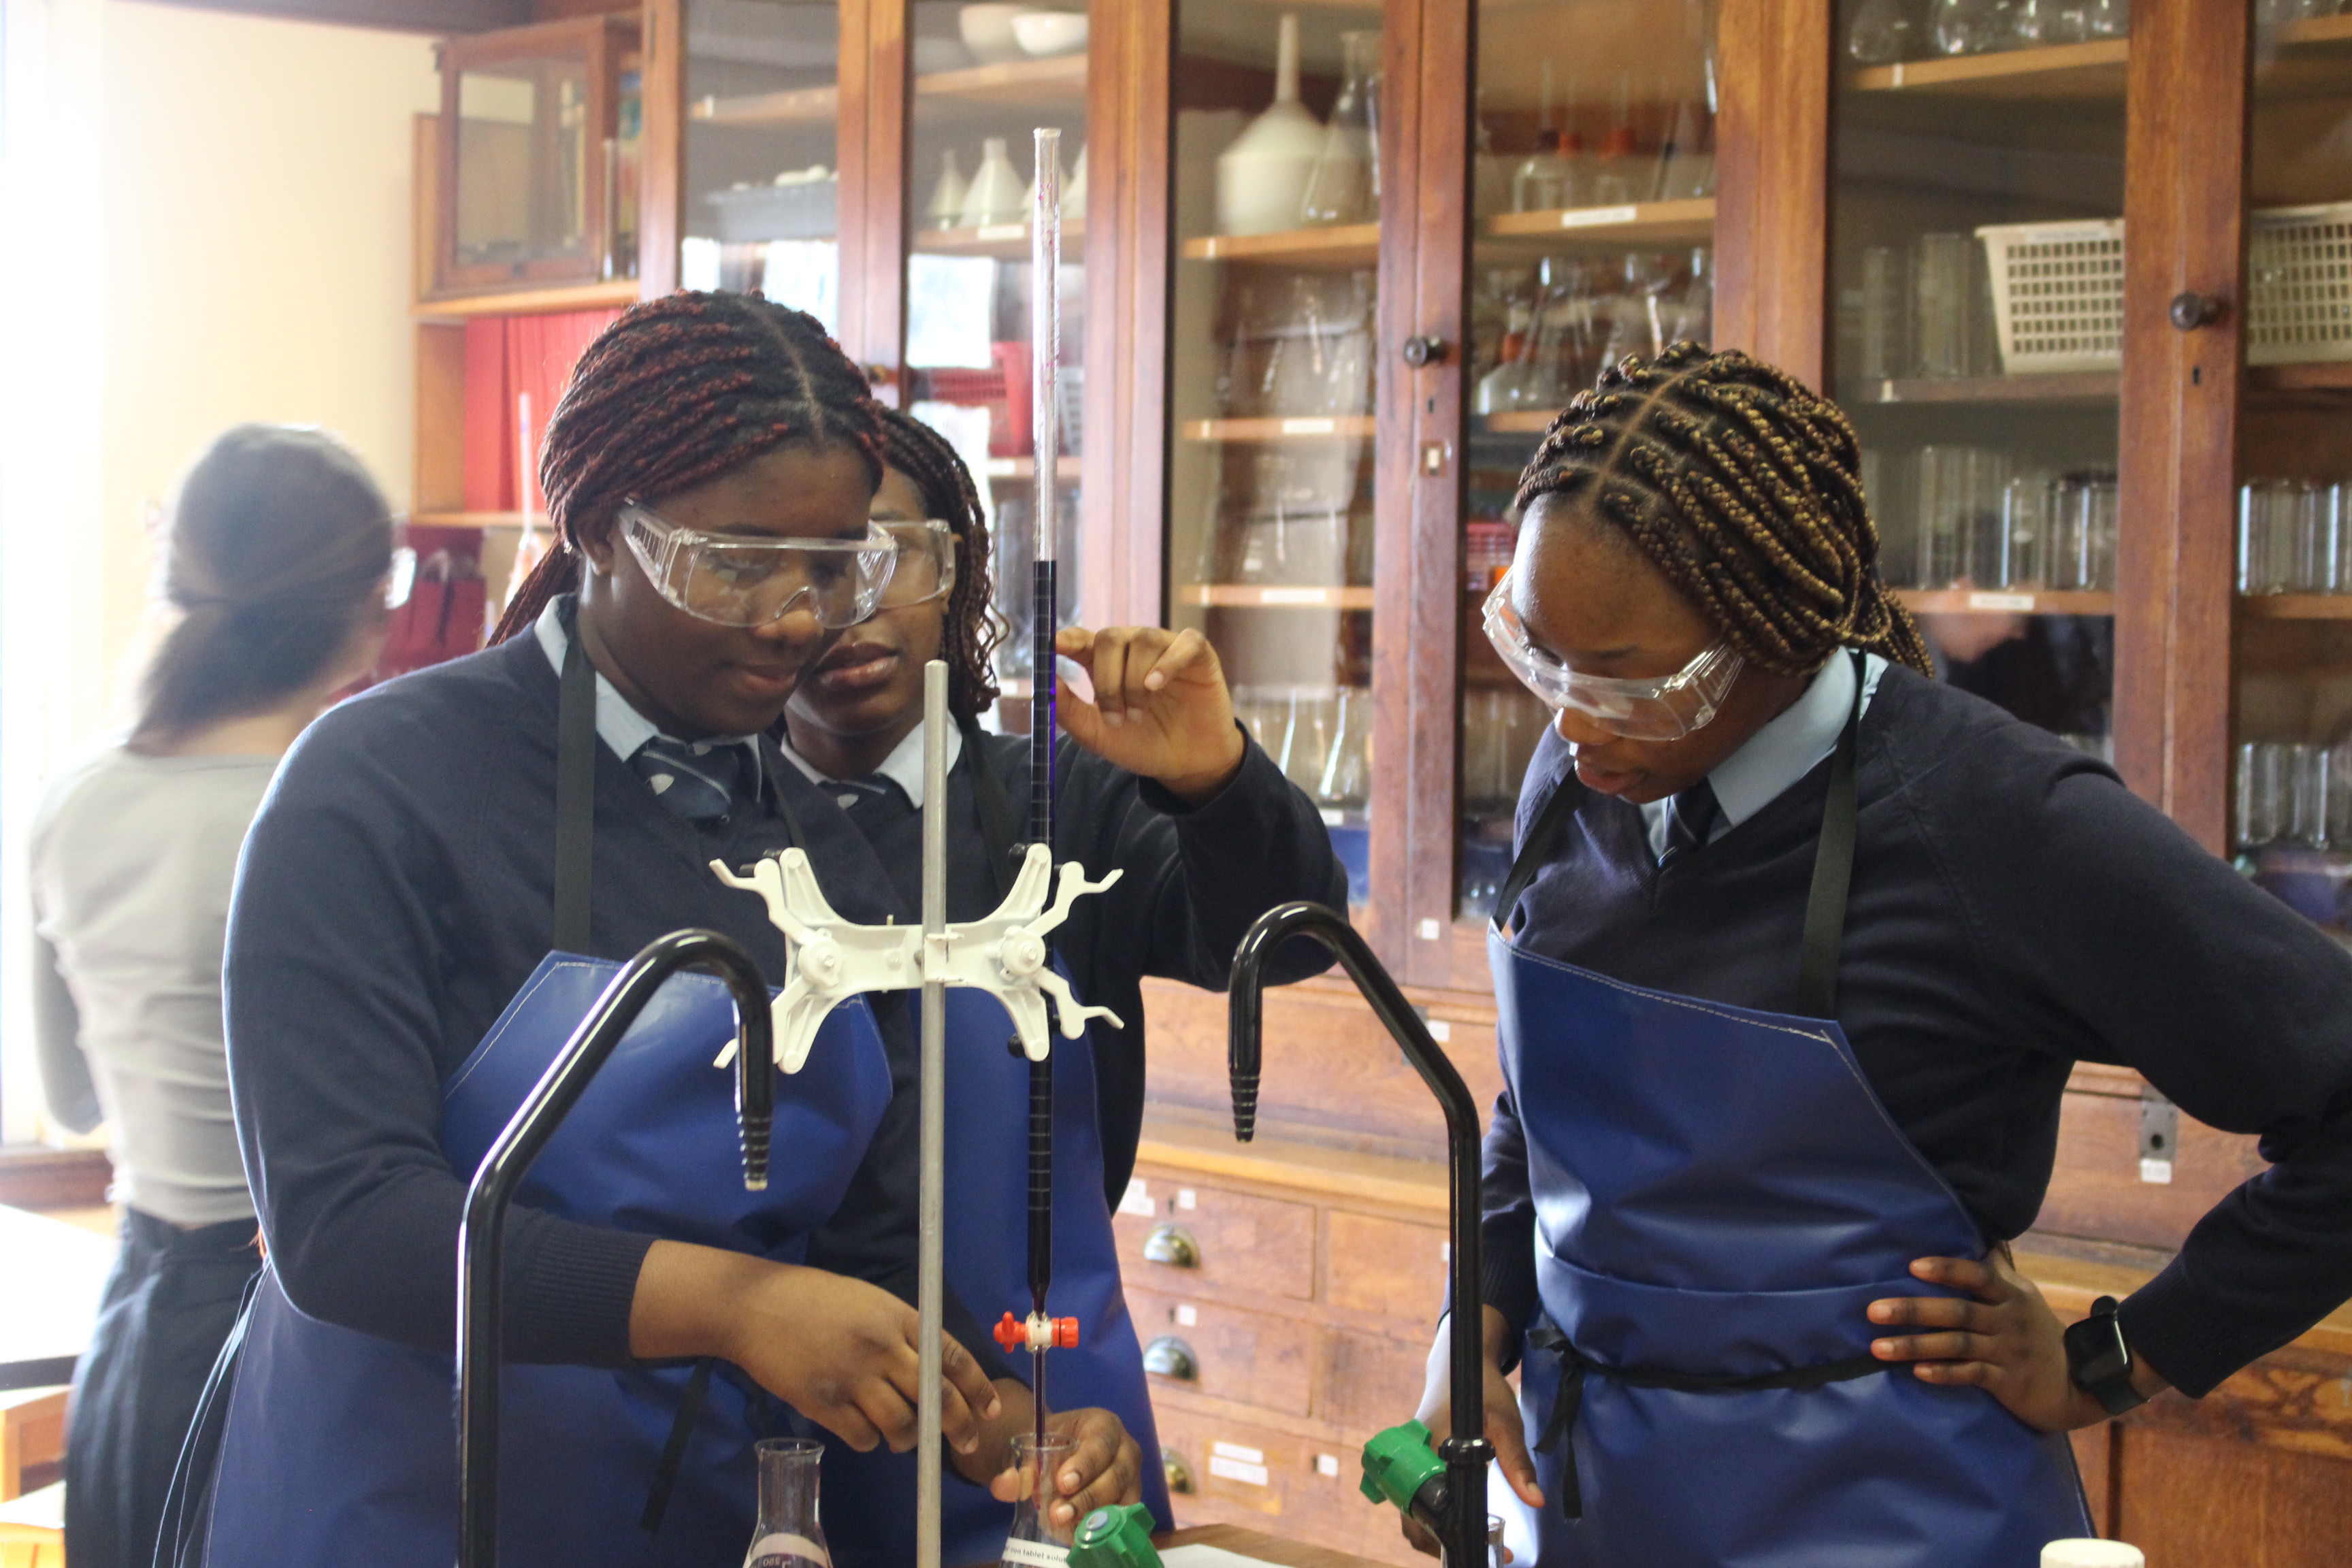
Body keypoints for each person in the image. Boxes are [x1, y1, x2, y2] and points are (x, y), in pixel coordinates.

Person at [161, 294, 1139, 1568]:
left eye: (834, 566)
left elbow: (862, 1232)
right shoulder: (384, 782)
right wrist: (734, 1304)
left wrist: (1000, 1416)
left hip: (677, 1517)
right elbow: (345, 1226)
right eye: (737, 563)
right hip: (398, 1506)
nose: (798, 617)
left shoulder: (814, 847)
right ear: (594, 531)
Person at [1409, 344, 2352, 1567]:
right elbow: (1545, 1111)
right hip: (1600, 1505)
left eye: (1633, 682)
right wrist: (1470, 1319)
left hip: (1891, 1511)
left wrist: (2116, 1359)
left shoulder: (2000, 823)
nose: (1575, 722)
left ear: (1776, 627)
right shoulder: (1586, 771)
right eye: (1538, 655)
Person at [768, 406, 1348, 1565]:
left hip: (1063, 1424)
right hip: (786, 1423)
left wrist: (1218, 784)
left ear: (961, 572)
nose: (859, 603)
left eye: (896, 555)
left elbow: (1285, 943)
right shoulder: (709, 831)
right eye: (816, 568)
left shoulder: (1061, 798)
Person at [29, 425, 393, 1568]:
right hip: (316, 1334)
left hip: (140, 1326)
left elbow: (71, 1098)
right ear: (368, 609)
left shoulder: (74, 799)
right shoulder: (352, 812)